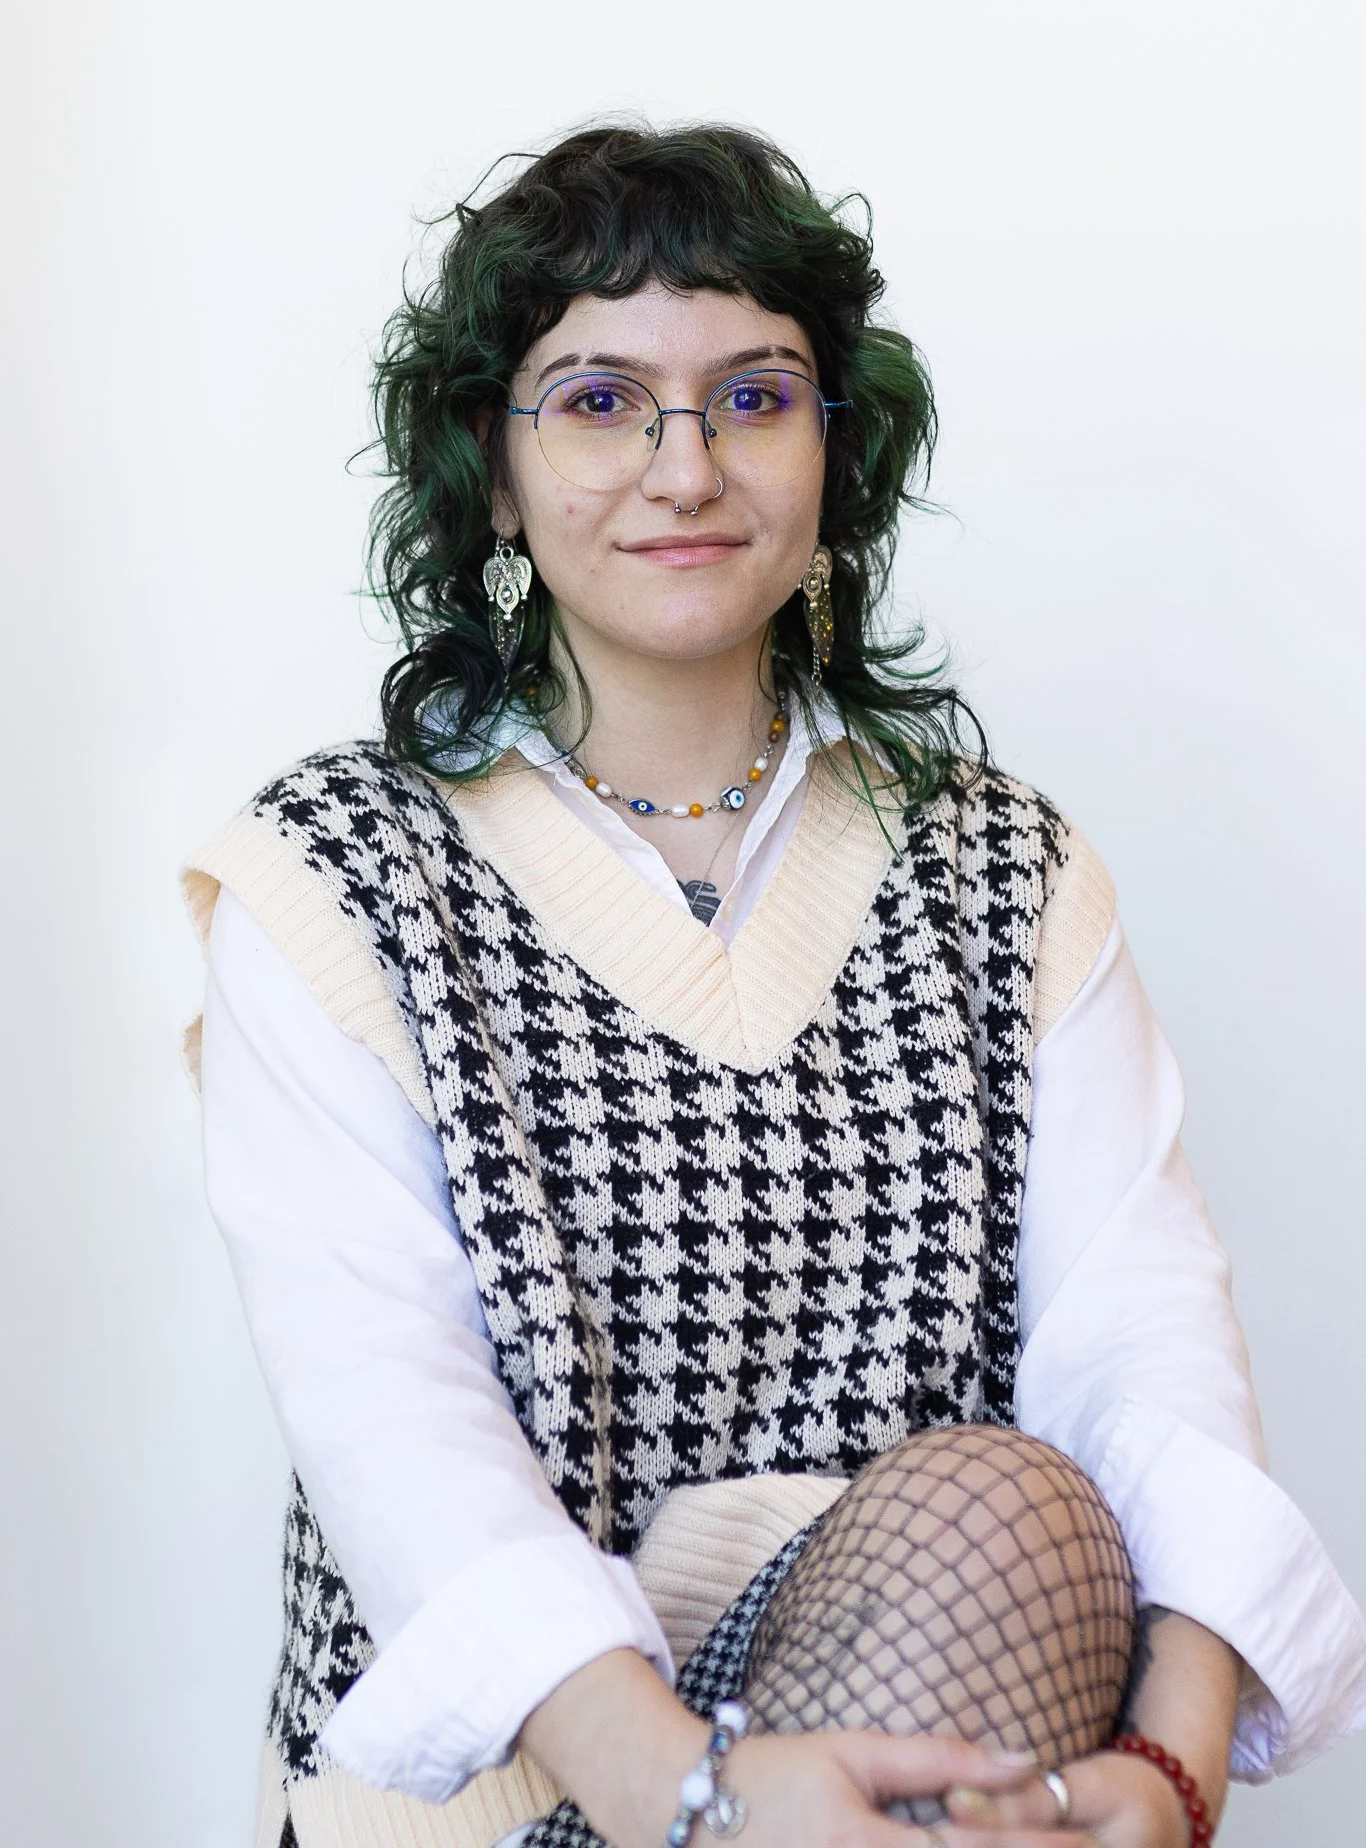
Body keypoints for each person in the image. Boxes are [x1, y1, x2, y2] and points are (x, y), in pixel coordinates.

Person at [183, 125, 1366, 1848]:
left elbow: (1142, 1346)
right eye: (597, 401)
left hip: (937, 1704)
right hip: (529, 1778)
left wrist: (1173, 1774)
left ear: (834, 454)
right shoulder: (334, 872)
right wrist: (702, 1792)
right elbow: (393, 1418)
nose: (686, 469)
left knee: (1000, 1503)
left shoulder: (1002, 868)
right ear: (493, 478)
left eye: (754, 396)